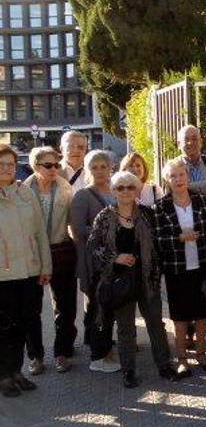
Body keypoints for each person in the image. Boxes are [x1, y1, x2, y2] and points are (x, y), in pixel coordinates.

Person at [87, 171, 179, 388]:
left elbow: (160, 244)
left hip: (147, 280)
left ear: (137, 189)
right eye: (120, 188)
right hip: (120, 283)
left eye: (130, 187)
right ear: (113, 191)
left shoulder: (147, 214)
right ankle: (128, 370)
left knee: (156, 324)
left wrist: (157, 268)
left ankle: (164, 365)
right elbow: (93, 246)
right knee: (126, 328)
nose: (126, 191)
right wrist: (115, 257)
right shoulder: (105, 216)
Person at [154, 157, 206, 376]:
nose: (178, 179)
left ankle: (201, 353)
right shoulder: (160, 207)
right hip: (176, 269)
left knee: (202, 313)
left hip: (202, 266)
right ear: (167, 180)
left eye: (181, 174)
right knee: (179, 316)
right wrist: (181, 238)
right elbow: (159, 241)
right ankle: (182, 358)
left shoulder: (201, 201)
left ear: (188, 177)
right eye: (173, 176)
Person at [0, 145, 50, 397]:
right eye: (1, 164)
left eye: (10, 163)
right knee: (4, 327)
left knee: (24, 323)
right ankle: (4, 376)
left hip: (29, 271)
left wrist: (45, 265)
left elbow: (40, 232)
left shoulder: (25, 193)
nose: (6, 168)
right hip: (3, 275)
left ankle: (17, 371)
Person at [22, 147, 75, 374]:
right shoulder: (22, 191)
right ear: (35, 166)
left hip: (60, 250)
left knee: (65, 306)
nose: (54, 169)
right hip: (31, 254)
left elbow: (73, 221)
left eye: (57, 164)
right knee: (30, 309)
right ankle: (36, 357)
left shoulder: (65, 188)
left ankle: (62, 353)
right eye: (48, 165)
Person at [69, 150, 119, 373]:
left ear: (111, 168)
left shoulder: (116, 192)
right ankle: (98, 357)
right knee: (99, 309)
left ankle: (104, 349)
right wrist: (107, 232)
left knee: (108, 309)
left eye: (103, 166)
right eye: (94, 167)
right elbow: (78, 230)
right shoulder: (82, 196)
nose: (99, 171)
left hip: (113, 262)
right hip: (94, 263)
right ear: (88, 171)